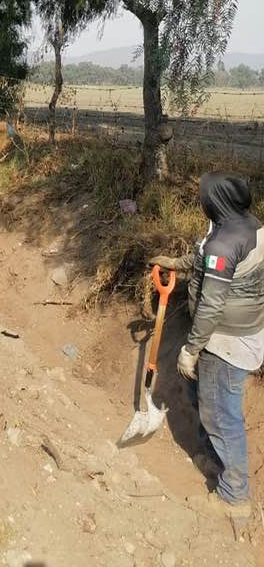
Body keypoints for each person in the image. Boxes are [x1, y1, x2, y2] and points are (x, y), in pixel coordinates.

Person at [151, 172, 264, 520]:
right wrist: (178, 264)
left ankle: (234, 497)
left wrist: (191, 349)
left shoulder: (224, 243)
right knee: (207, 398)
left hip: (224, 342)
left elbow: (212, 305)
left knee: (221, 416)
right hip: (246, 330)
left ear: (215, 203)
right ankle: (213, 459)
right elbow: (210, 261)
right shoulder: (247, 225)